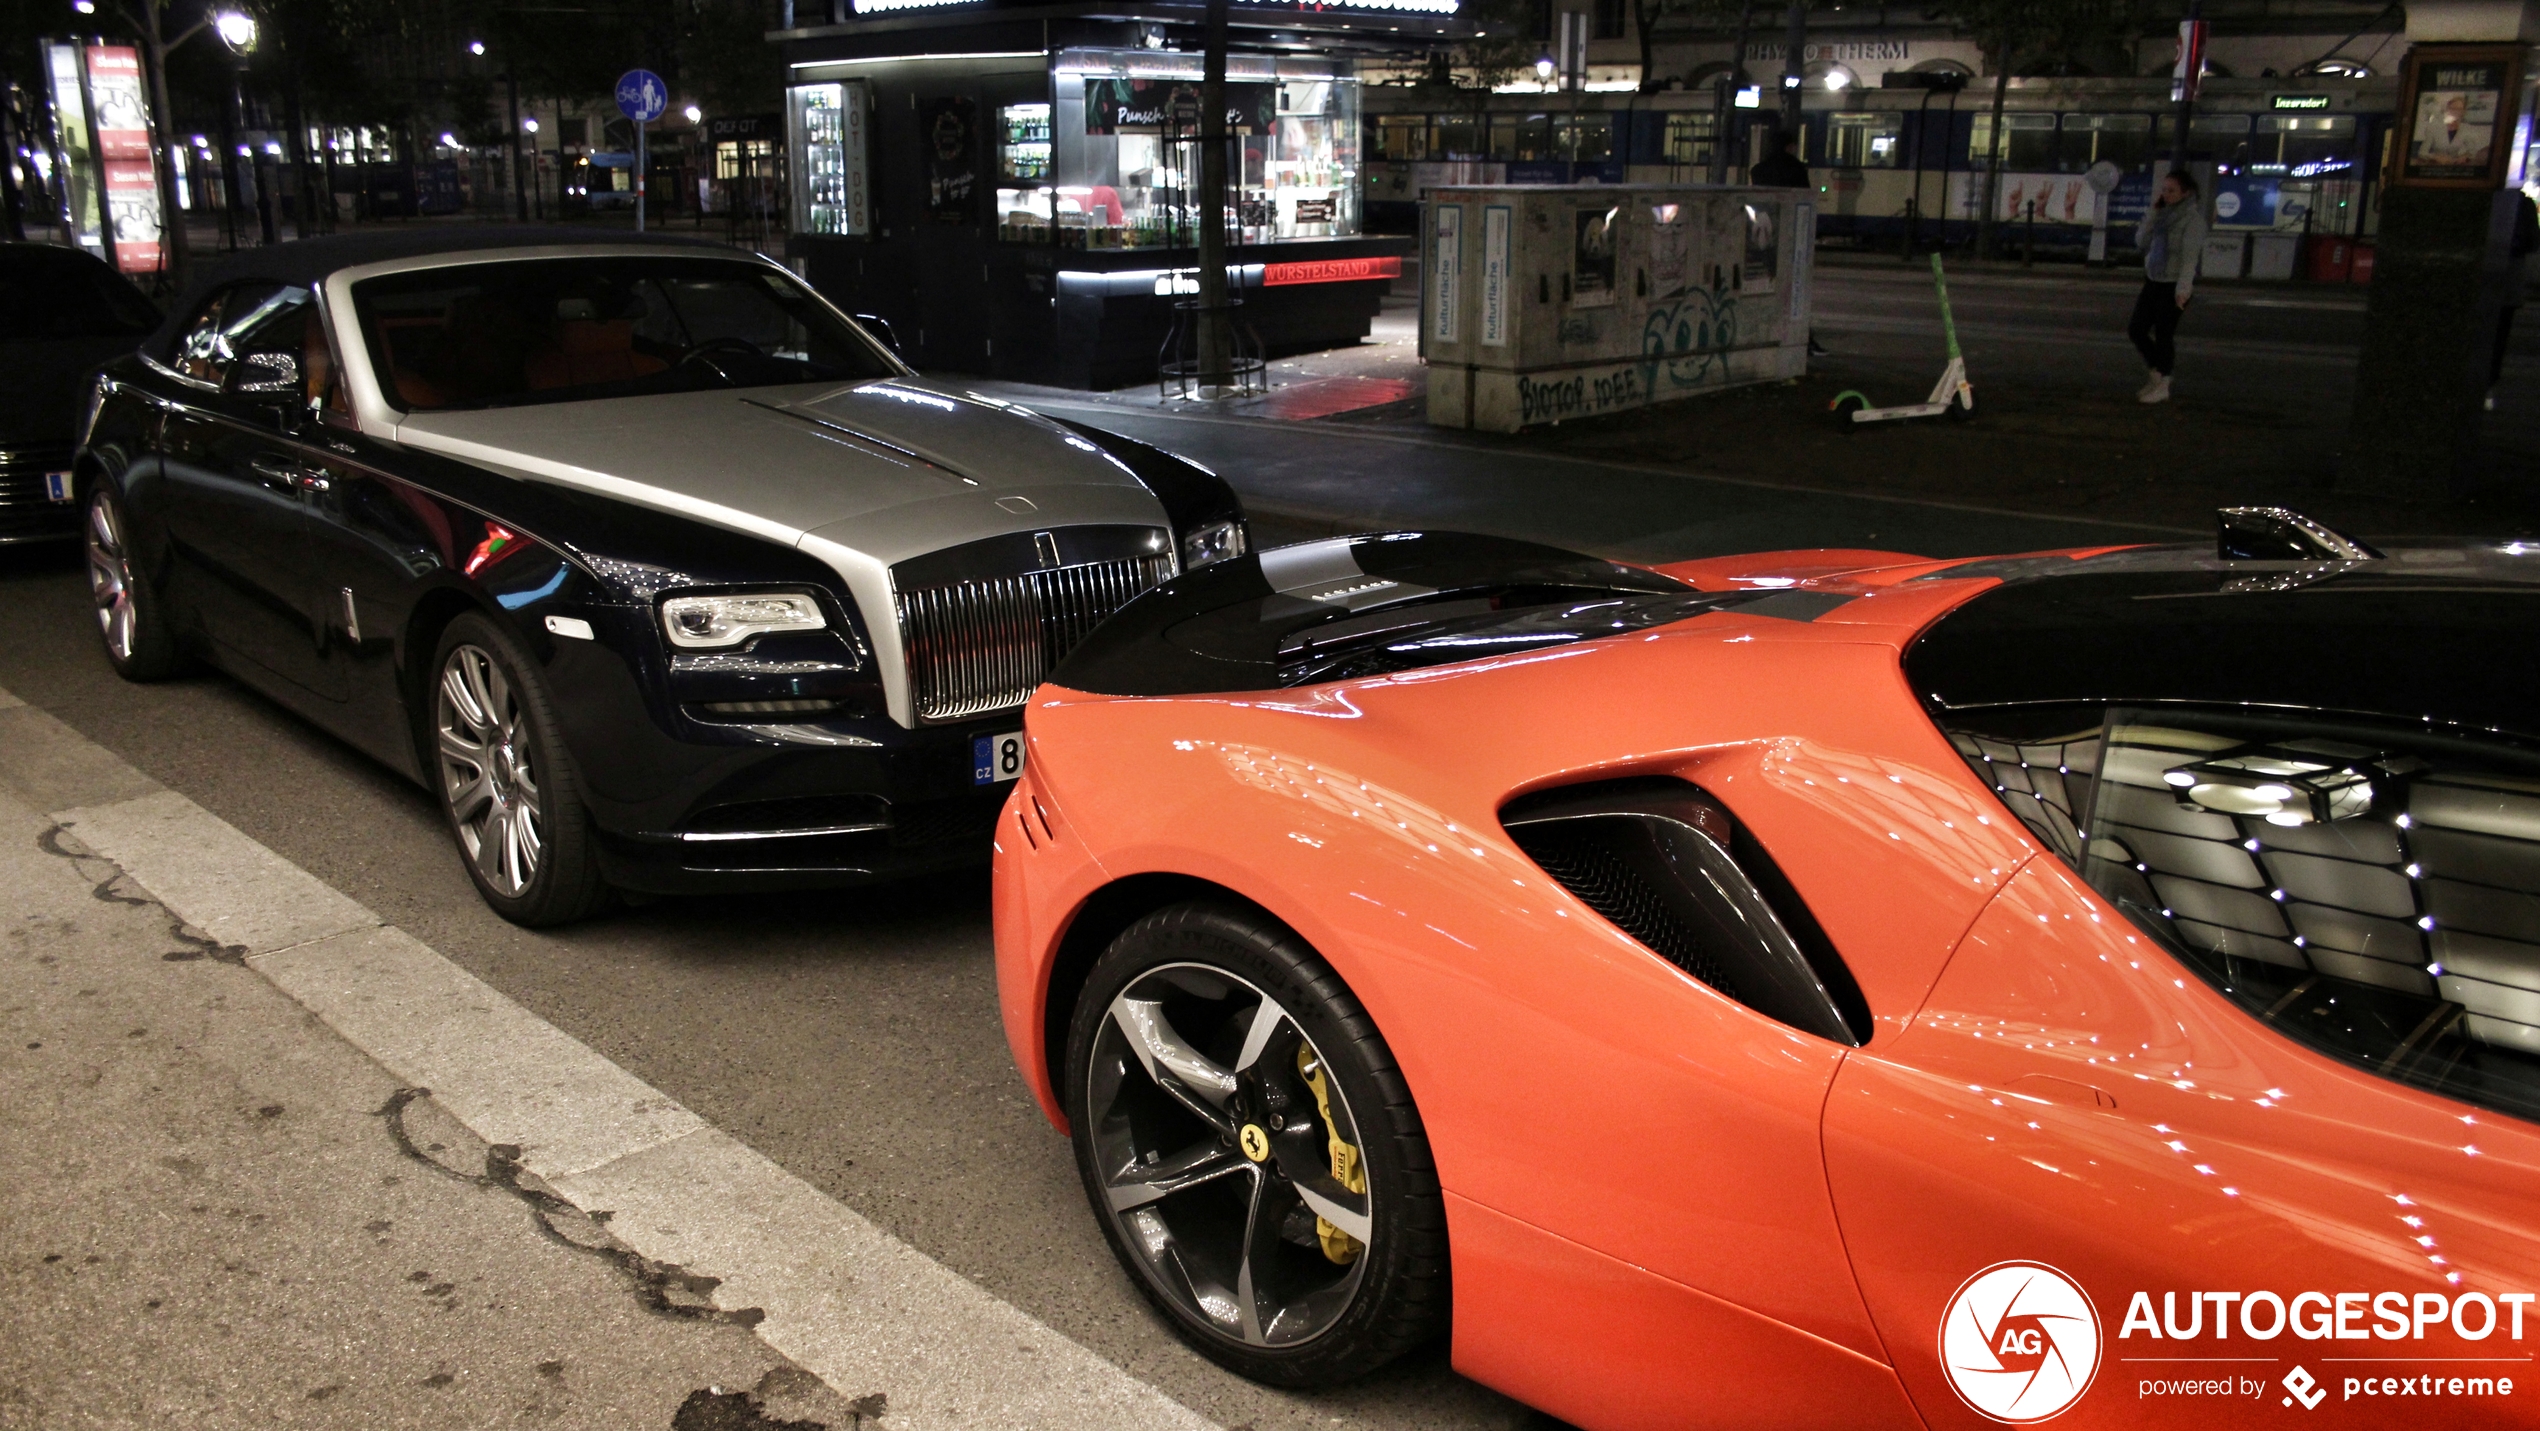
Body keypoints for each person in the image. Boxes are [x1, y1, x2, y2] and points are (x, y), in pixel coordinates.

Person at [2129, 169, 2207, 405]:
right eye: (2164, 190)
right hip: (2154, 279)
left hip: (2173, 284)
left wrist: (2183, 290)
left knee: (2164, 334)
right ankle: (2157, 373)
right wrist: (2153, 213)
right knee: (2136, 329)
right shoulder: (2161, 214)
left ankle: (2163, 382)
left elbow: (2189, 259)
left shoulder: (2193, 221)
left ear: (2186, 193)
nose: (2166, 194)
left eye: (2171, 190)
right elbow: (2140, 241)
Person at [2492, 190, 2539, 411]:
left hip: (2489, 274)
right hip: (2510, 277)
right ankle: (2490, 377)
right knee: (2499, 331)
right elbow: (2532, 242)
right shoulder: (2523, 204)